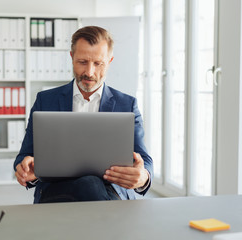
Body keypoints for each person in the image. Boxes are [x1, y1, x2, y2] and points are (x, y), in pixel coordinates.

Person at [14, 26, 153, 203]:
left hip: (110, 191)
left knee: (91, 185)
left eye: (98, 63)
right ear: (71, 58)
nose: (89, 72)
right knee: (89, 185)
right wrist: (27, 171)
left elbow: (144, 158)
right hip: (57, 191)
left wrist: (143, 177)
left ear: (109, 61)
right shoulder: (45, 100)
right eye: (82, 62)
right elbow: (23, 156)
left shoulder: (127, 104)